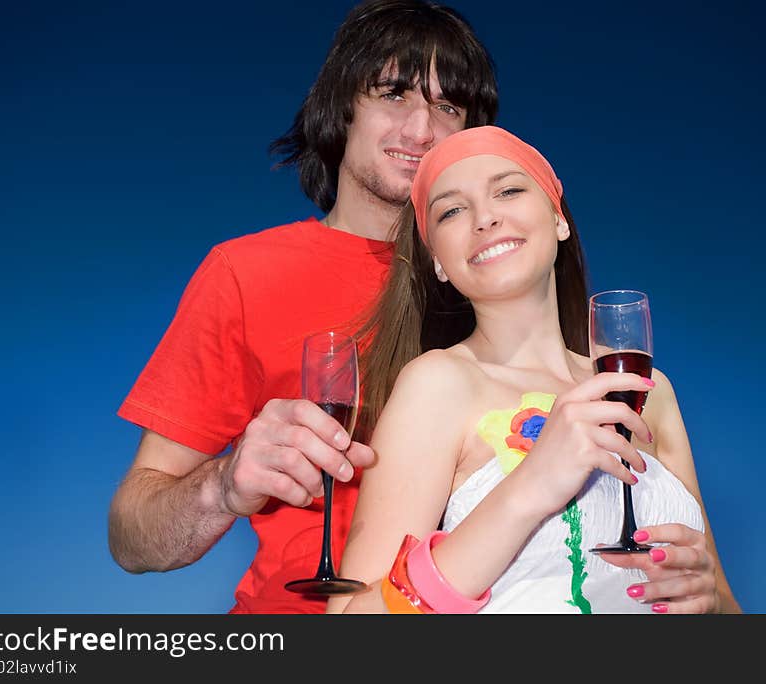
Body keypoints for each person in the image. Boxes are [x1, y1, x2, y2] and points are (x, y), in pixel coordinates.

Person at [108, 0, 498, 614]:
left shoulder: (497, 277)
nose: (422, 130)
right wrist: (225, 484)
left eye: (448, 106)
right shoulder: (245, 274)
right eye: (394, 94)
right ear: (342, 108)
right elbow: (133, 539)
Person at [326, 126, 742, 614]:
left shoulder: (648, 391)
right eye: (452, 211)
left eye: (508, 190)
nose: (485, 218)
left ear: (559, 219)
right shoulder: (437, 385)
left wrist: (710, 602)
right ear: (437, 260)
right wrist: (530, 487)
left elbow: (726, 606)